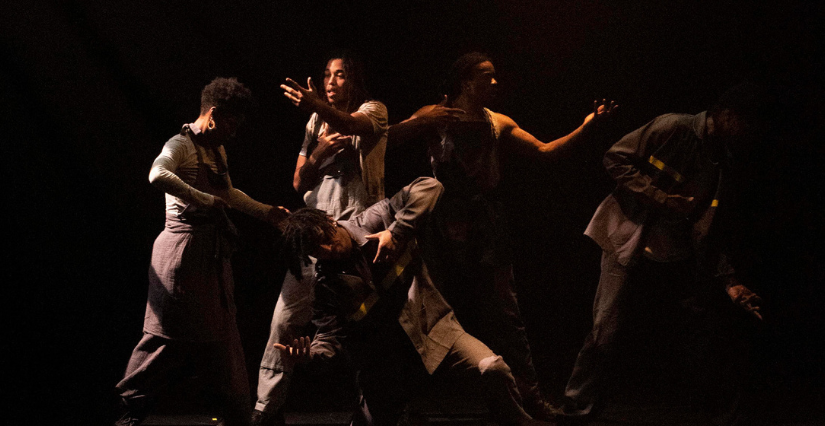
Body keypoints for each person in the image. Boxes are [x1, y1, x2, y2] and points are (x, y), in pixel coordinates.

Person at [387, 52, 616, 419]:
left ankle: (529, 398)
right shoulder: (436, 116)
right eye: (486, 77)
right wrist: (420, 122)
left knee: (506, 316)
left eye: (495, 77)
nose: (495, 83)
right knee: (428, 313)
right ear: (465, 82)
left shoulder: (498, 122)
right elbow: (387, 139)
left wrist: (586, 126)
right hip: (442, 225)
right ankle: (406, 403)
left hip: (485, 226)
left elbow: (544, 150)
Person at [553, 83, 765, 424]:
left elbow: (707, 226)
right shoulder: (674, 127)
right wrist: (661, 198)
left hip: (674, 255)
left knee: (697, 329)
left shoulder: (722, 161)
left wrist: (729, 282)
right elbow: (615, 157)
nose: (749, 134)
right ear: (726, 115)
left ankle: (717, 413)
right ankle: (577, 408)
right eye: (746, 124)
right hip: (629, 237)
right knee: (605, 329)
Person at [275, 177, 554, 426]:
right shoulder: (327, 285)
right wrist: (309, 356)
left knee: (493, 369)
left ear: (331, 222)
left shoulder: (377, 219)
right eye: (315, 251)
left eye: (325, 239)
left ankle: (518, 420)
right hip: (387, 367)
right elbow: (330, 336)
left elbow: (430, 186)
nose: (326, 251)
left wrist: (397, 233)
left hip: (436, 332)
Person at [114, 77, 289, 426]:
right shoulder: (180, 144)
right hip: (181, 255)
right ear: (212, 115)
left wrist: (265, 211)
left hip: (210, 256)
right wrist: (199, 198)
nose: (234, 132)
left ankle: (235, 412)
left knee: (224, 338)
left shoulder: (216, 149)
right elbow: (157, 173)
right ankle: (129, 409)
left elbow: (228, 194)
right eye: (231, 123)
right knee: (165, 339)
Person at [253, 52, 388, 426]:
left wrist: (315, 105)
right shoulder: (315, 122)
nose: (331, 81)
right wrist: (317, 153)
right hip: (314, 238)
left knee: (362, 330)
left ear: (355, 80)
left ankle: (372, 412)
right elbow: (299, 183)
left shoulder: (375, 110)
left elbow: (350, 122)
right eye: (327, 74)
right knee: (283, 322)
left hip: (352, 240)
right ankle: (267, 409)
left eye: (340, 75)